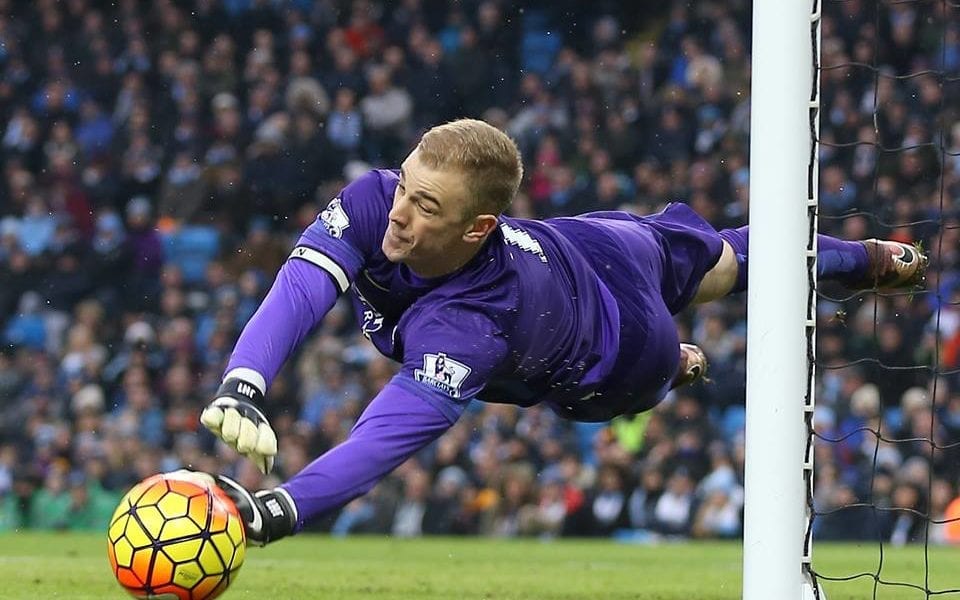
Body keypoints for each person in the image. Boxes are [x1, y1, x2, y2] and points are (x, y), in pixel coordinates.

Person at [193, 118, 927, 544]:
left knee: (721, 267)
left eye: (425, 205)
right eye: (404, 185)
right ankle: (826, 274)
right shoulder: (373, 201)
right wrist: (245, 382)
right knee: (715, 265)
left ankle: (857, 261)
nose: (398, 214)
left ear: (479, 227)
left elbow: (382, 437)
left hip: (617, 348)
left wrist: (278, 511)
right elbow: (302, 284)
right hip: (573, 249)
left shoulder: (469, 327)